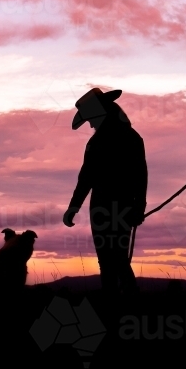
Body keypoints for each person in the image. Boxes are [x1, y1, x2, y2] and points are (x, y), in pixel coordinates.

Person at [63, 88, 147, 299]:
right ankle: (125, 302)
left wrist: (74, 208)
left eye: (91, 119)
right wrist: (138, 206)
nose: (90, 124)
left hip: (104, 208)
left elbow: (86, 179)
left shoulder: (98, 143)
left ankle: (119, 301)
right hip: (120, 207)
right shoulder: (131, 138)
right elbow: (140, 176)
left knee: (112, 259)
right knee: (116, 258)